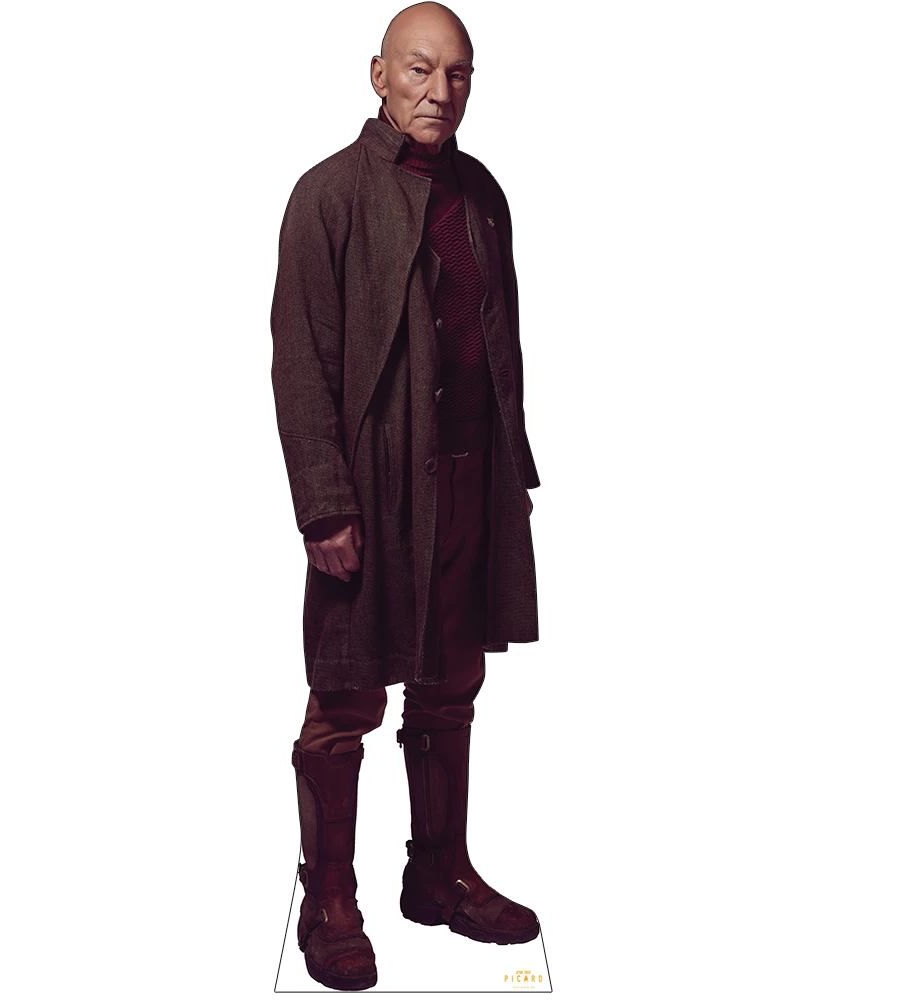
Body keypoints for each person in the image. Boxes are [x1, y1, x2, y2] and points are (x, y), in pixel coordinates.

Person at [271, 2, 540, 991]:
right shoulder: (328, 196)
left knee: (449, 691)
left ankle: (438, 875)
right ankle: (328, 901)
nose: (439, 91)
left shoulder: (479, 193)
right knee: (343, 700)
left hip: (469, 478)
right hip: (372, 488)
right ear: (378, 76)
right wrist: (324, 501)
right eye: (419, 70)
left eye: (456, 73)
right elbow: (302, 363)